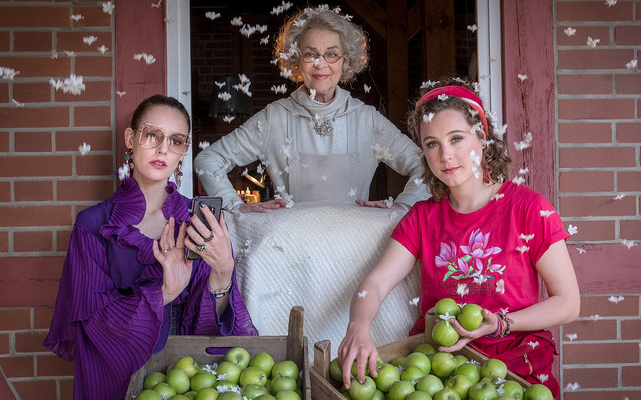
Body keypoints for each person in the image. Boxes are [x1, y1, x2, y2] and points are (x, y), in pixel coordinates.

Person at [337, 77, 580, 397]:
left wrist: (500, 324)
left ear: (482, 137)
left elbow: (568, 303)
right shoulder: (423, 218)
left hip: (514, 362)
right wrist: (359, 326)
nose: (445, 155)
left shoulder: (529, 209)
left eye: (456, 138)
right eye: (432, 143)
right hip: (438, 366)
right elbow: (377, 283)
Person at [43, 95, 258, 400]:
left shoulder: (198, 221)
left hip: (189, 384)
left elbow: (214, 336)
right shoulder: (93, 225)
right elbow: (91, 330)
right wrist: (165, 293)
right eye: (152, 135)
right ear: (131, 139)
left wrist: (223, 273)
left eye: (176, 141)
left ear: (183, 152)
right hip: (120, 384)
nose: (163, 149)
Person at [194, 5, 428, 213]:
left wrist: (403, 206)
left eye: (332, 54)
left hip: (356, 245)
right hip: (291, 248)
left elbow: (425, 166)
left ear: (345, 60)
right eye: (309, 54)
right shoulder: (275, 118)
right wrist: (234, 205)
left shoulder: (368, 120)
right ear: (295, 60)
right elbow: (208, 159)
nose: (320, 63)